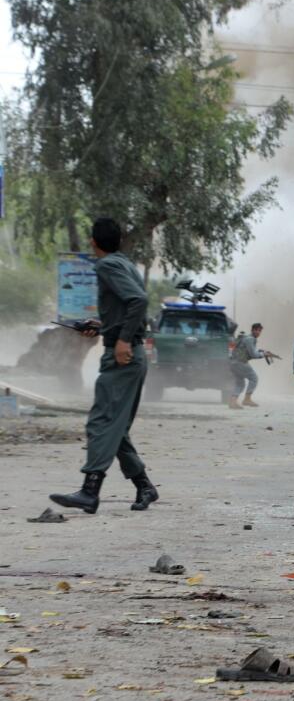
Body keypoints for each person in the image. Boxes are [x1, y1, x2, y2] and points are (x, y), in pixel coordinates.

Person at [50, 217, 158, 514]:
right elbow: (130, 307)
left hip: (122, 357)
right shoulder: (125, 263)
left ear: (93, 242)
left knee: (101, 422)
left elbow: (138, 300)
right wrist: (102, 327)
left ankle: (90, 491)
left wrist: (121, 341)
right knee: (116, 427)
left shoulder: (107, 266)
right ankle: (144, 486)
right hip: (131, 355)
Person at [229, 323, 279, 409]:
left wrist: (262, 351)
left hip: (233, 363)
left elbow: (249, 350)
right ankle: (247, 399)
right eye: (256, 330)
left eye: (259, 330)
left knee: (240, 383)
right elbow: (253, 354)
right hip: (241, 362)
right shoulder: (250, 339)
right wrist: (264, 354)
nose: (258, 332)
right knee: (254, 378)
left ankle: (233, 401)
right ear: (252, 330)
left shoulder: (245, 338)